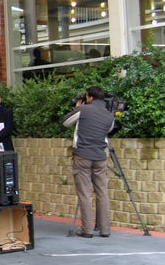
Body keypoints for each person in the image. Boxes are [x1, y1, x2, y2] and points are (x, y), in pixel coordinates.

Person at [63, 86, 115, 238]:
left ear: (89, 97)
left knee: (85, 193)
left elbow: (66, 122)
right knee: (102, 193)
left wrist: (77, 108)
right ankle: (105, 229)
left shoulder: (83, 110)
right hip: (100, 156)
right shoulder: (108, 115)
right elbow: (109, 129)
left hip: (83, 156)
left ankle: (87, 230)